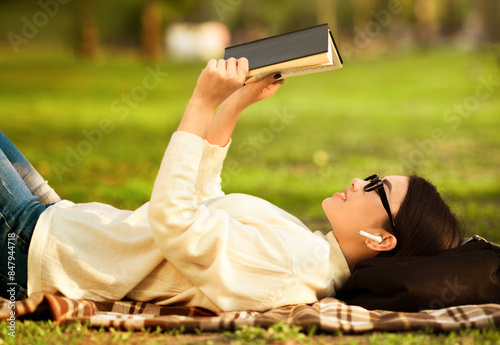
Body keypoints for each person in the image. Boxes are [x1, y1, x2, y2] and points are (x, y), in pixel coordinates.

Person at [1, 58, 462, 312]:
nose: (359, 180)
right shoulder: (310, 252)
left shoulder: (290, 267)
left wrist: (201, 102)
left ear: (382, 239)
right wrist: (234, 107)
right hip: (58, 222)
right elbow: (206, 204)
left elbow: (174, 220)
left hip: (32, 247)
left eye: (376, 186)